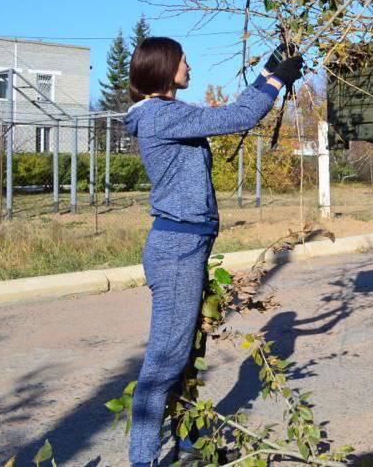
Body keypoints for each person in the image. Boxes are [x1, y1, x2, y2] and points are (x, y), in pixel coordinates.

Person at [123, 37, 303, 467]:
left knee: (184, 353)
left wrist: (268, 68)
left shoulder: (162, 114)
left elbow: (235, 110)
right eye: (184, 61)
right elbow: (236, 117)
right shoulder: (160, 115)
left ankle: (189, 439)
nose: (190, 67)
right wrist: (277, 81)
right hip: (178, 249)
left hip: (188, 244)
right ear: (166, 68)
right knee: (166, 359)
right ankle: (142, 460)